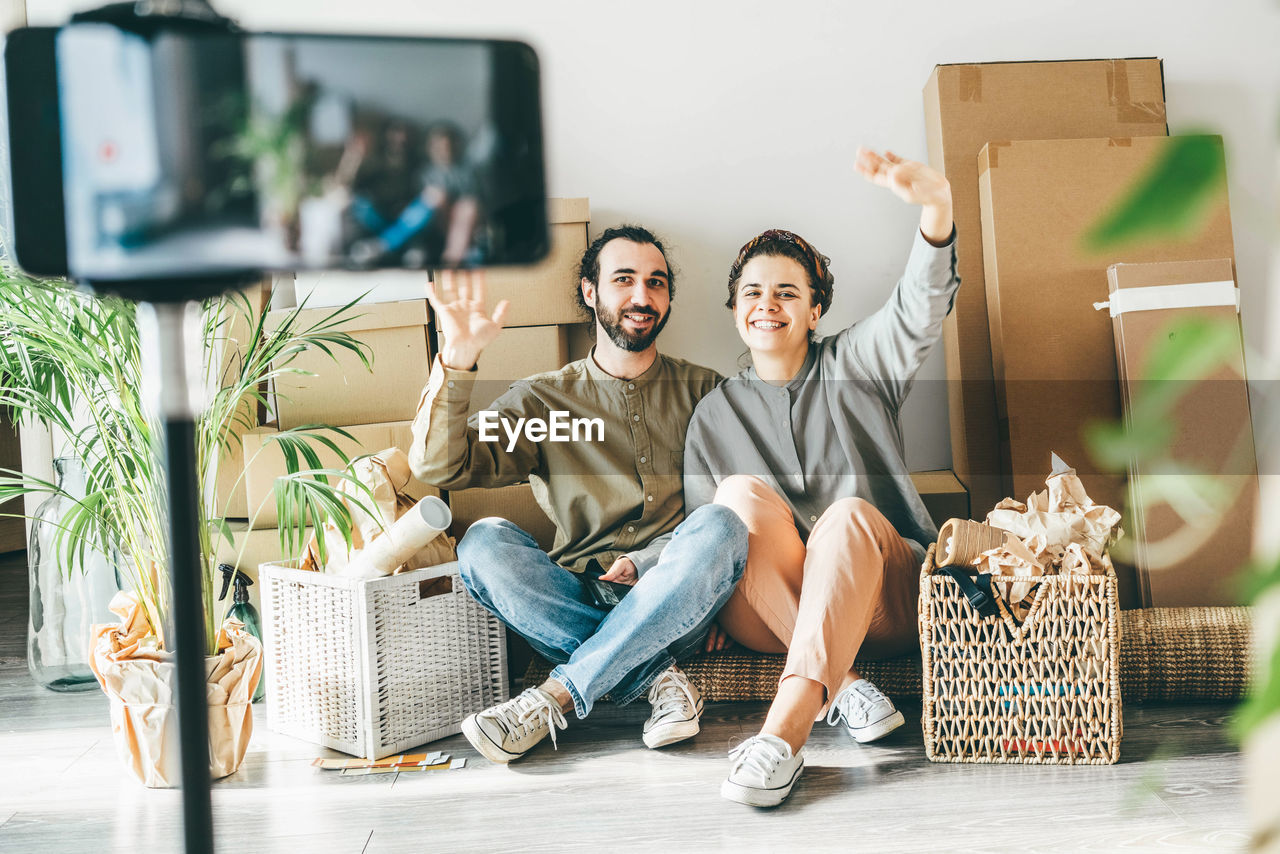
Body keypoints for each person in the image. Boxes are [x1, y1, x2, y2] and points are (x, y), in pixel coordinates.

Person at [409, 225, 747, 764]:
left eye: (656, 283)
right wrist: (457, 360)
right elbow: (438, 464)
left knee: (722, 526)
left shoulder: (706, 392)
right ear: (591, 292)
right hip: (573, 594)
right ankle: (655, 677)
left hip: (676, 597)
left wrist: (646, 563)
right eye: (624, 280)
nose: (642, 296)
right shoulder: (546, 403)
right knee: (482, 544)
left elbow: (732, 514)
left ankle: (553, 698)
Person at [683, 148, 959, 806]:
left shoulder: (859, 363)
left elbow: (917, 309)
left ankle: (782, 737)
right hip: (769, 609)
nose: (766, 304)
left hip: (881, 604)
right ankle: (847, 683)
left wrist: (937, 211)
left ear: (815, 311)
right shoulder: (713, 414)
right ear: (734, 311)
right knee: (736, 500)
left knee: (848, 516)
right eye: (752, 292)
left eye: (787, 292)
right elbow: (707, 545)